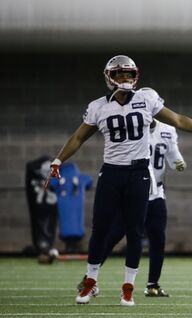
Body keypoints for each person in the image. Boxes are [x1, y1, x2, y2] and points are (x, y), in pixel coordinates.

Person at [45, 55, 192, 306]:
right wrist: (58, 160)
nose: (125, 78)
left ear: (135, 76)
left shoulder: (147, 98)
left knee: (135, 231)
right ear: (109, 77)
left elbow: (178, 119)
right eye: (119, 74)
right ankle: (90, 283)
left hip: (139, 173)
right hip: (111, 172)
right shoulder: (98, 107)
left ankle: (129, 287)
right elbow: (78, 137)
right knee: (101, 229)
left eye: (129, 74)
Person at [77, 119, 186, 297]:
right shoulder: (131, 125)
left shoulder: (168, 130)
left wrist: (178, 163)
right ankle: (89, 278)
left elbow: (174, 158)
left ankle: (153, 284)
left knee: (158, 238)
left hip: (156, 191)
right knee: (113, 236)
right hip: (134, 192)